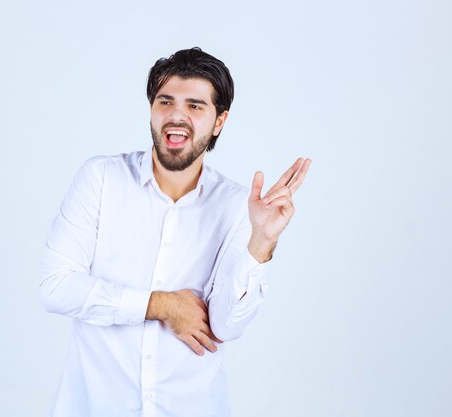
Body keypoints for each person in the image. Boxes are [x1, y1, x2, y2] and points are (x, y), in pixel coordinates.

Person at [39, 47, 311, 417]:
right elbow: (56, 288)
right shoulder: (100, 179)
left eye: (196, 106)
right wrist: (161, 305)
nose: (176, 116)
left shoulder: (236, 205)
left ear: (219, 121)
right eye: (165, 101)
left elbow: (226, 325)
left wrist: (261, 242)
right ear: (151, 108)